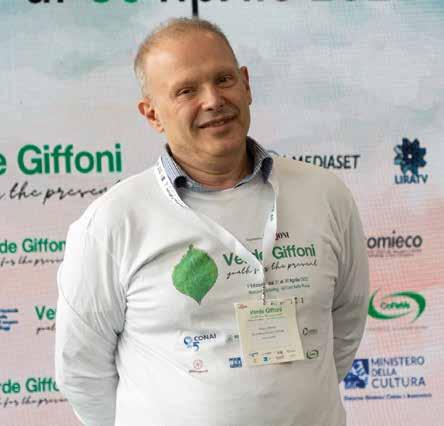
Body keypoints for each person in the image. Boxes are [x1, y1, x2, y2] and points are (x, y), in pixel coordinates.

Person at [55, 17, 369, 426]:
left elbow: (346, 323)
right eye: (186, 90)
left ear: (246, 85)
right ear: (152, 114)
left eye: (223, 79)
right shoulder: (113, 222)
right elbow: (82, 372)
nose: (213, 100)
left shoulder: (324, 193)